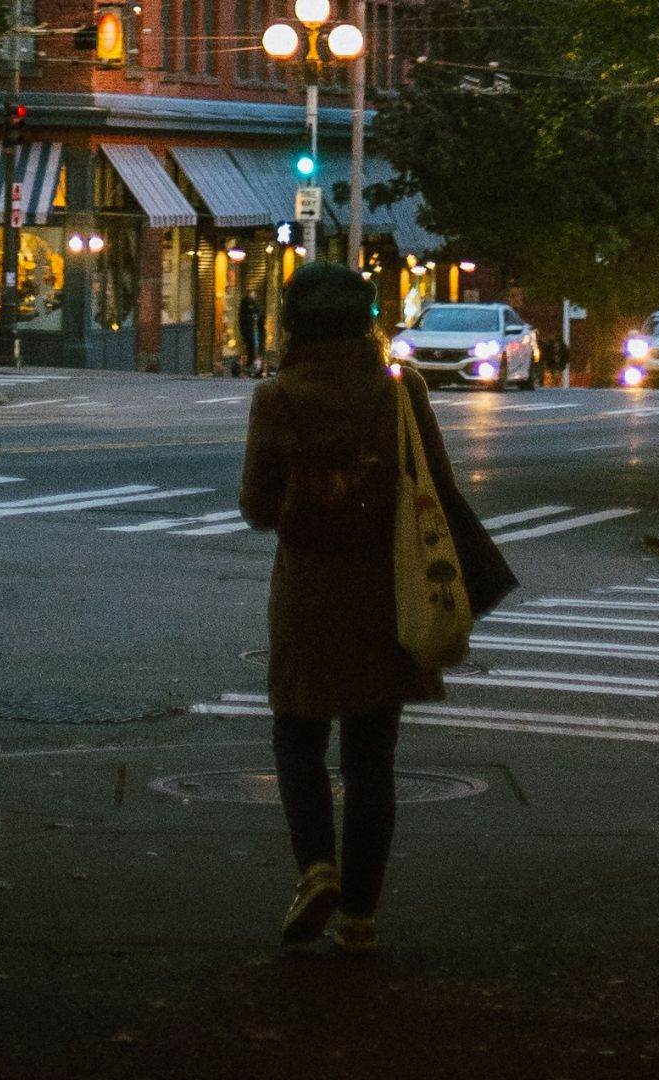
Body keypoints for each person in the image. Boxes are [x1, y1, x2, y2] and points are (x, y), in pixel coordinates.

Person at [238, 263, 468, 956]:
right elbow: (438, 485)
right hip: (386, 593)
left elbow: (255, 507)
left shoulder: (277, 397)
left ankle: (317, 868)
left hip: (309, 593)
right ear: (366, 320)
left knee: (297, 737)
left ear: (294, 322)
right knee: (372, 758)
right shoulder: (401, 391)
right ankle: (361, 916)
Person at [238, 292, 263, 377]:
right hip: (250, 332)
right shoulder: (247, 306)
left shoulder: (250, 306)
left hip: (252, 332)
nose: (254, 295)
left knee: (252, 348)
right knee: (251, 348)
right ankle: (249, 364)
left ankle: (250, 364)